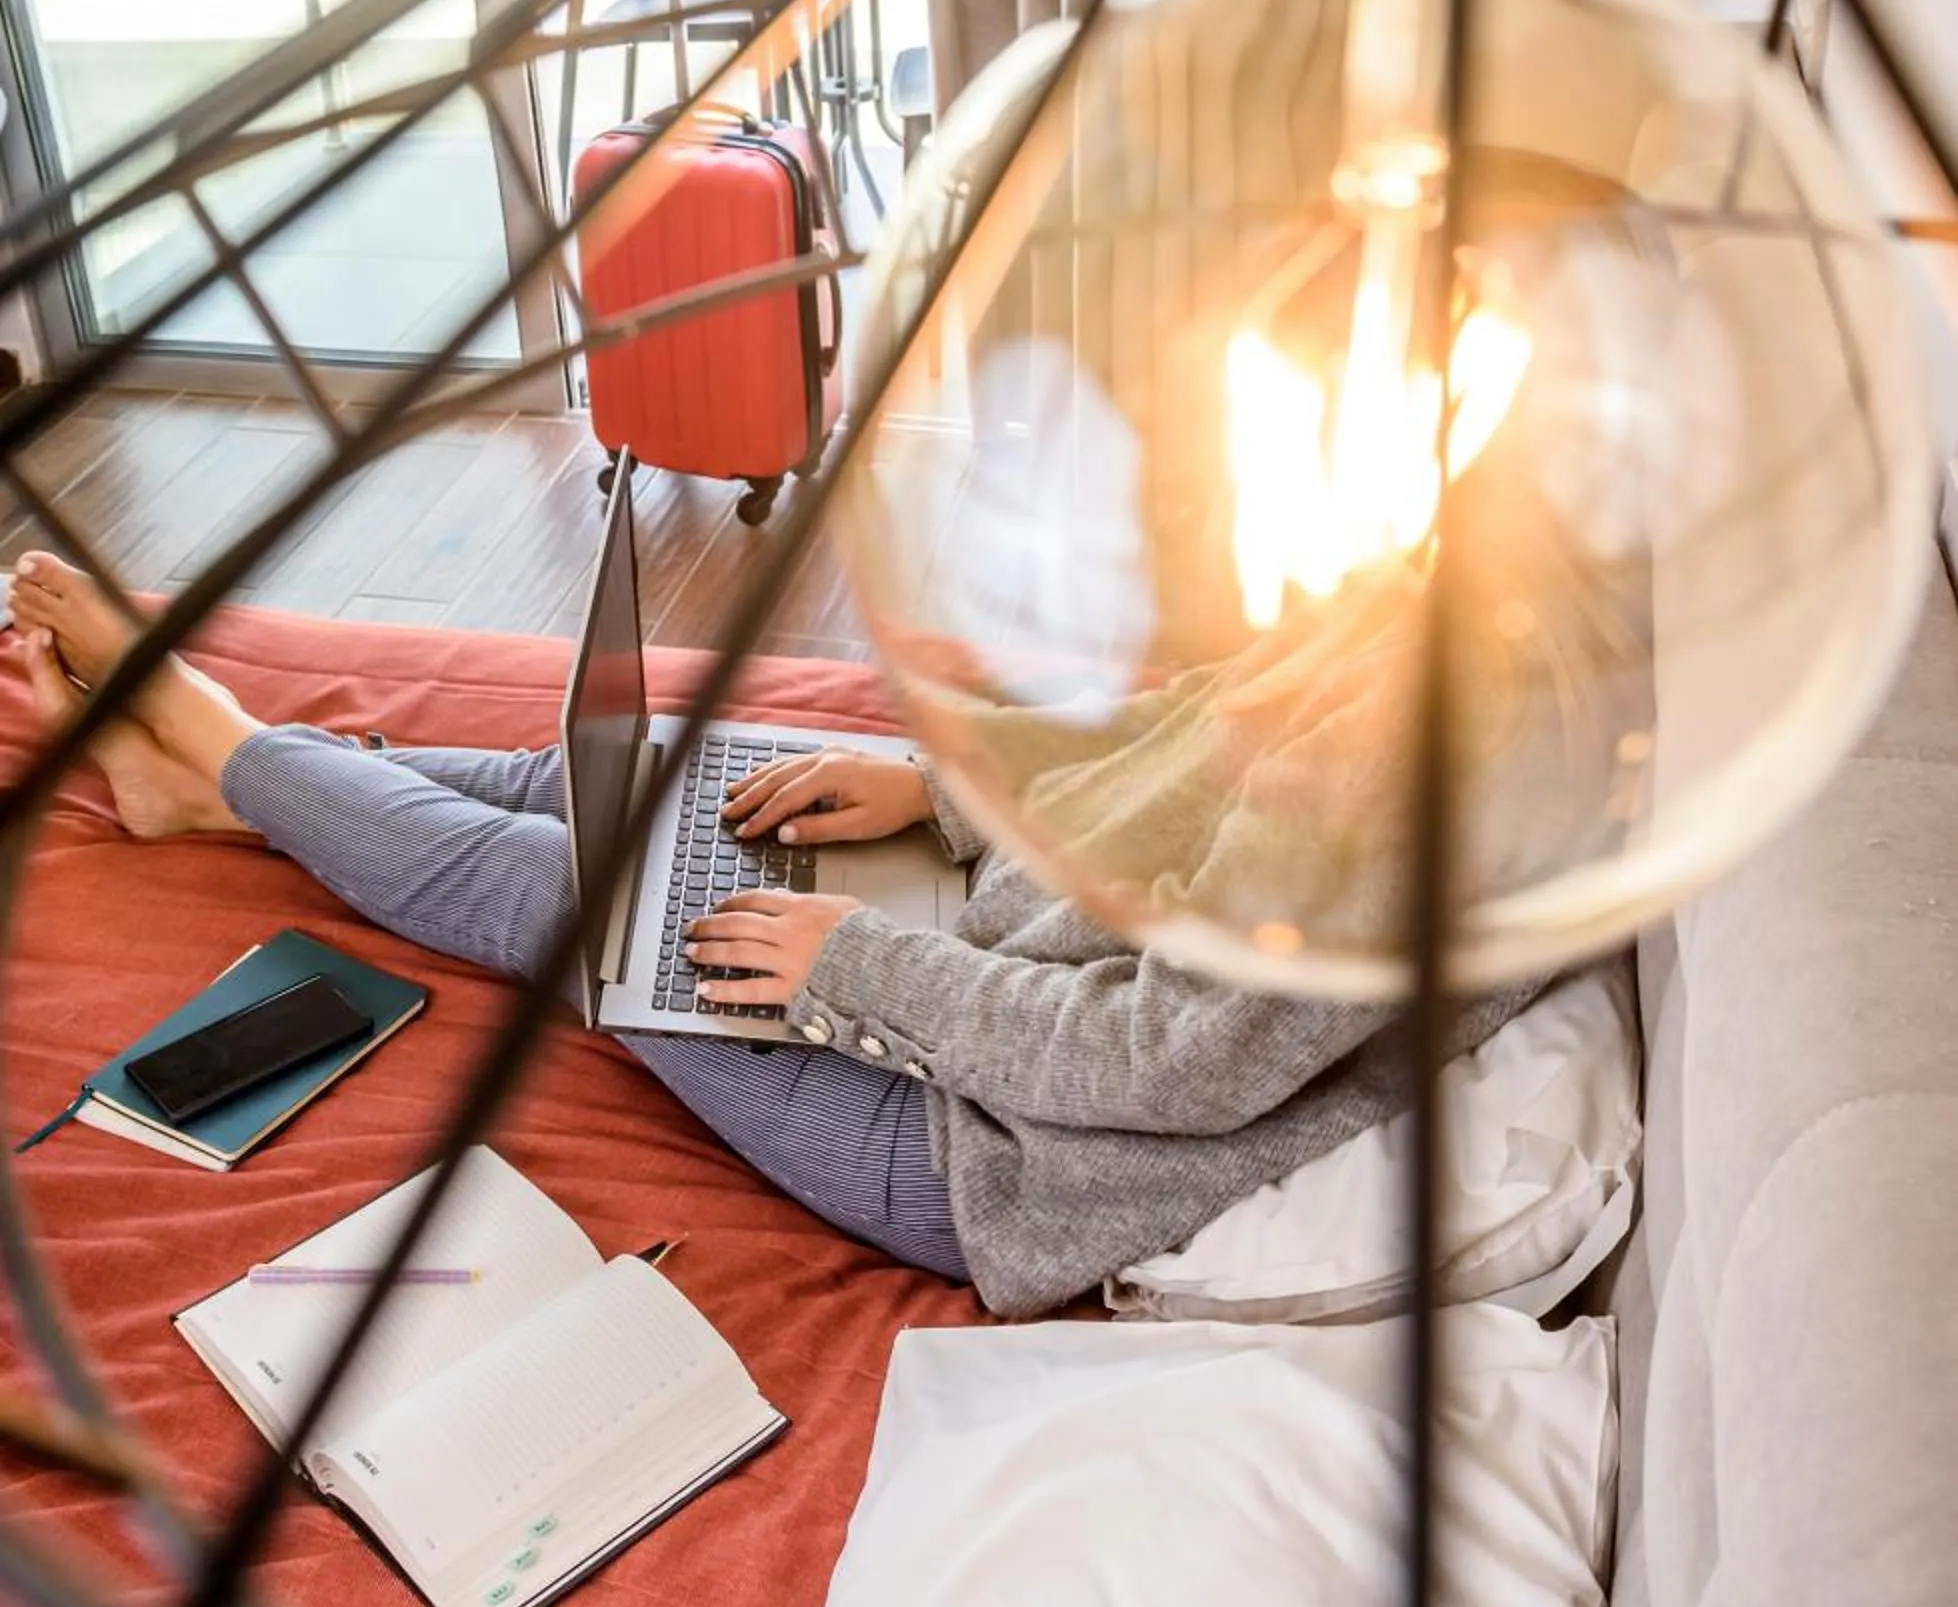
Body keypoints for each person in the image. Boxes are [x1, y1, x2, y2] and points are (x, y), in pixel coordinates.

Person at [8, 554, 1535, 1317]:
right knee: (644, 774)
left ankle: (210, 739)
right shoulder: (1425, 593)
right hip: (979, 953)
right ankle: (227, 787)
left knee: (565, 895)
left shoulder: (1439, 772)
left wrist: (850, 963)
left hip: (981, 1140)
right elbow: (1160, 743)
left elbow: (1166, 1064)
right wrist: (933, 789)